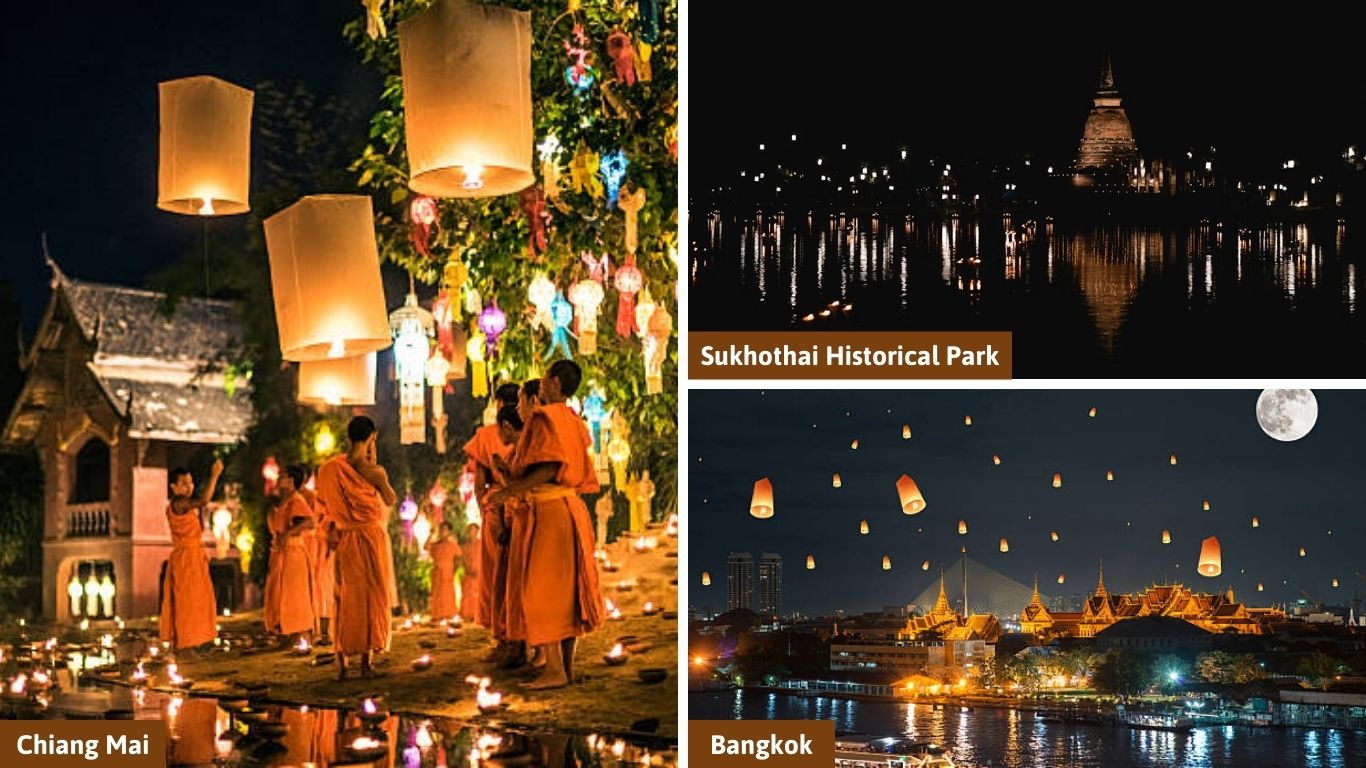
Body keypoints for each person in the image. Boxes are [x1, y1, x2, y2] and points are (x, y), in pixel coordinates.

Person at [488, 360, 602, 689]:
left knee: (540, 590)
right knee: (566, 592)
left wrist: (510, 490)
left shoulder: (545, 417)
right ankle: (564, 667)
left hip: (550, 512)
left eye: (544, 379)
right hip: (570, 508)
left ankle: (554, 670)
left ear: (553, 383)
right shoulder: (573, 419)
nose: (539, 384)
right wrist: (511, 478)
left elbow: (550, 468)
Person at [316, 416, 397, 679]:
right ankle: (365, 664)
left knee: (345, 595)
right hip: (370, 538)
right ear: (372, 437)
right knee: (371, 596)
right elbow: (390, 499)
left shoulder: (329, 469)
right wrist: (375, 462)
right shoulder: (375, 472)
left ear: (349, 437)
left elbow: (323, 504)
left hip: (345, 538)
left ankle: (342, 663)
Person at [463, 382, 520, 660]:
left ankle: (502, 637)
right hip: (523, 505)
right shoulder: (529, 431)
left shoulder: (486, 435)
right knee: (519, 572)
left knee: (496, 575)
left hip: (496, 507)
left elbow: (480, 483)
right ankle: (525, 637)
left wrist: (484, 508)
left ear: (498, 405)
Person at [160, 458, 223, 654]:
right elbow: (203, 501)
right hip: (186, 558)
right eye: (184, 483)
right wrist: (215, 475)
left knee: (198, 600)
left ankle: (196, 641)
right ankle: (185, 644)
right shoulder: (179, 503)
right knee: (187, 601)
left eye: (191, 482)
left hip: (194, 556)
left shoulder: (185, 505)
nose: (189, 487)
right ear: (173, 487)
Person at [500, 384, 538, 669]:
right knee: (516, 588)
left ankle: (530, 646)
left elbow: (523, 485)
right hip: (519, 519)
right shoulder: (519, 450)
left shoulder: (529, 447)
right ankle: (519, 643)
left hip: (527, 520)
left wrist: (505, 479)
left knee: (526, 587)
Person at [272, 465, 317, 643]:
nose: (278, 479)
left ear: (291, 481)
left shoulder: (296, 500)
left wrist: (288, 533)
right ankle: (286, 630)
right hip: (283, 553)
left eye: (282, 476)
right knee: (283, 593)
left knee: (295, 594)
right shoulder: (285, 501)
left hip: (293, 553)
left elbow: (309, 522)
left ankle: (299, 632)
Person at [426, 522, 461, 622]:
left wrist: (454, 570)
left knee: (447, 593)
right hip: (437, 571)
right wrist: (431, 534)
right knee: (437, 593)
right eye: (441, 529)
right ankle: (437, 614)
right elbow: (426, 546)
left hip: (448, 571)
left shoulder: (452, 545)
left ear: (449, 532)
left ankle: (448, 614)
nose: (442, 532)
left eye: (445, 530)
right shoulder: (436, 545)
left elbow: (458, 557)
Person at [460, 522, 481, 622]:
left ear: (477, 531)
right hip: (468, 573)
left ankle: (478, 615)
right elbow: (463, 559)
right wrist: (467, 569)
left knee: (478, 595)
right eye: (469, 530)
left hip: (479, 574)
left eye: (472, 530)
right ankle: (467, 615)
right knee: (467, 595)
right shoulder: (465, 546)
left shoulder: (481, 544)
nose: (470, 532)